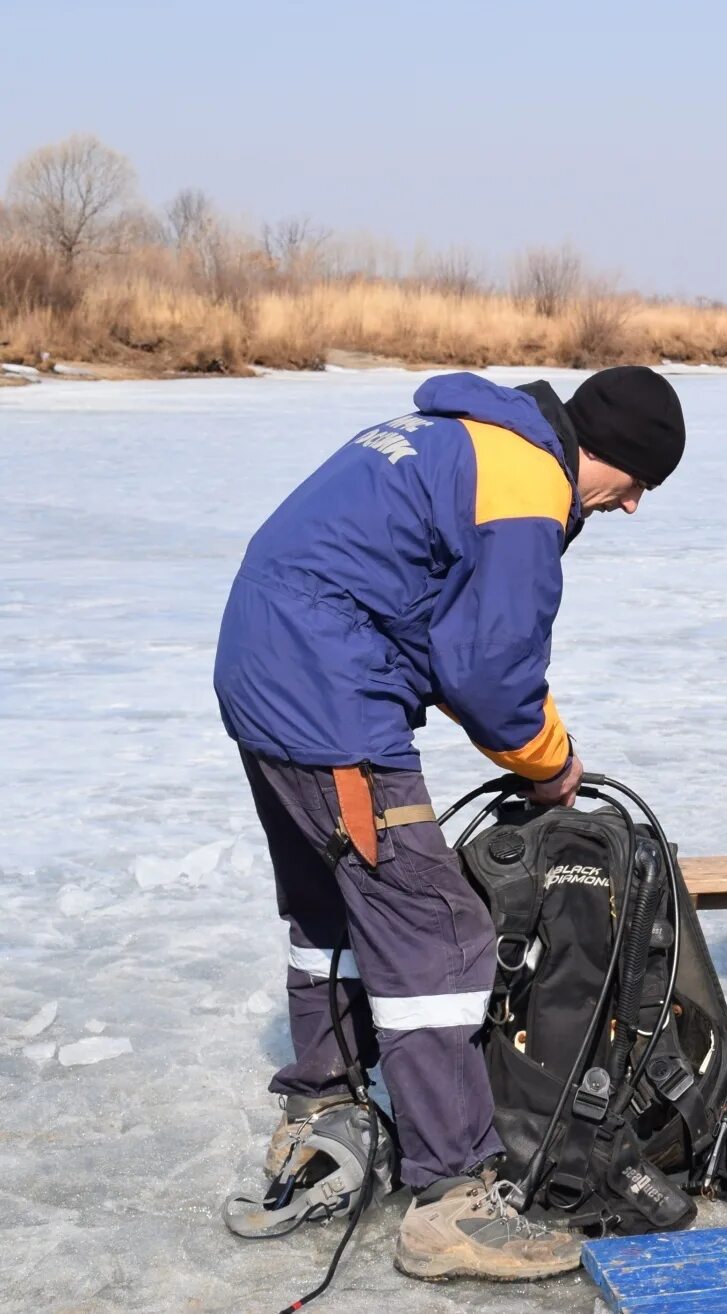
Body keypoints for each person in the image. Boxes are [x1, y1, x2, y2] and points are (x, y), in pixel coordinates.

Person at [213, 366, 686, 1279]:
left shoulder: (462, 433)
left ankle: (324, 1107)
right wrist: (553, 764)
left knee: (333, 909)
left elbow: (419, 606)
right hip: (327, 695)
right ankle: (452, 1199)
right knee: (437, 928)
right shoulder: (525, 484)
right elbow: (491, 672)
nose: (631, 509)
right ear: (609, 460)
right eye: (636, 487)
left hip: (268, 670)